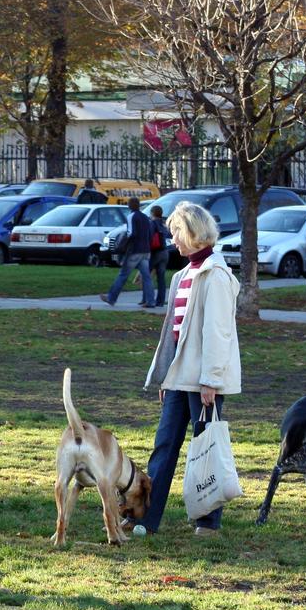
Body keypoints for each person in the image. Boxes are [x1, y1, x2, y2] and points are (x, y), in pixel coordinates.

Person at [136, 201, 241, 536]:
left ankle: (208, 522)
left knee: (205, 446)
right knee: (164, 445)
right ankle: (144, 517)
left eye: (177, 233)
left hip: (203, 382)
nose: (173, 241)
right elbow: (172, 332)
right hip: (179, 378)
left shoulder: (217, 274)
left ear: (195, 231)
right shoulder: (182, 275)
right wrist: (165, 376)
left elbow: (217, 333)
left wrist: (211, 380)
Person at [100, 197, 154, 308]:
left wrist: (123, 244)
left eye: (129, 203)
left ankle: (111, 298)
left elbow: (131, 233)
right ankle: (150, 301)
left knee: (123, 274)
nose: (128, 205)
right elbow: (149, 234)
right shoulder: (145, 217)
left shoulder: (131, 216)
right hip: (146, 250)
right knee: (147, 277)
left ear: (132, 205)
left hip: (135, 251)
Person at [147, 205, 170, 307]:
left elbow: (150, 237)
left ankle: (148, 299)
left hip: (155, 252)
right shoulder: (164, 223)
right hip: (164, 252)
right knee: (161, 278)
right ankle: (160, 301)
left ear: (152, 213)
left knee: (146, 276)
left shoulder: (152, 223)